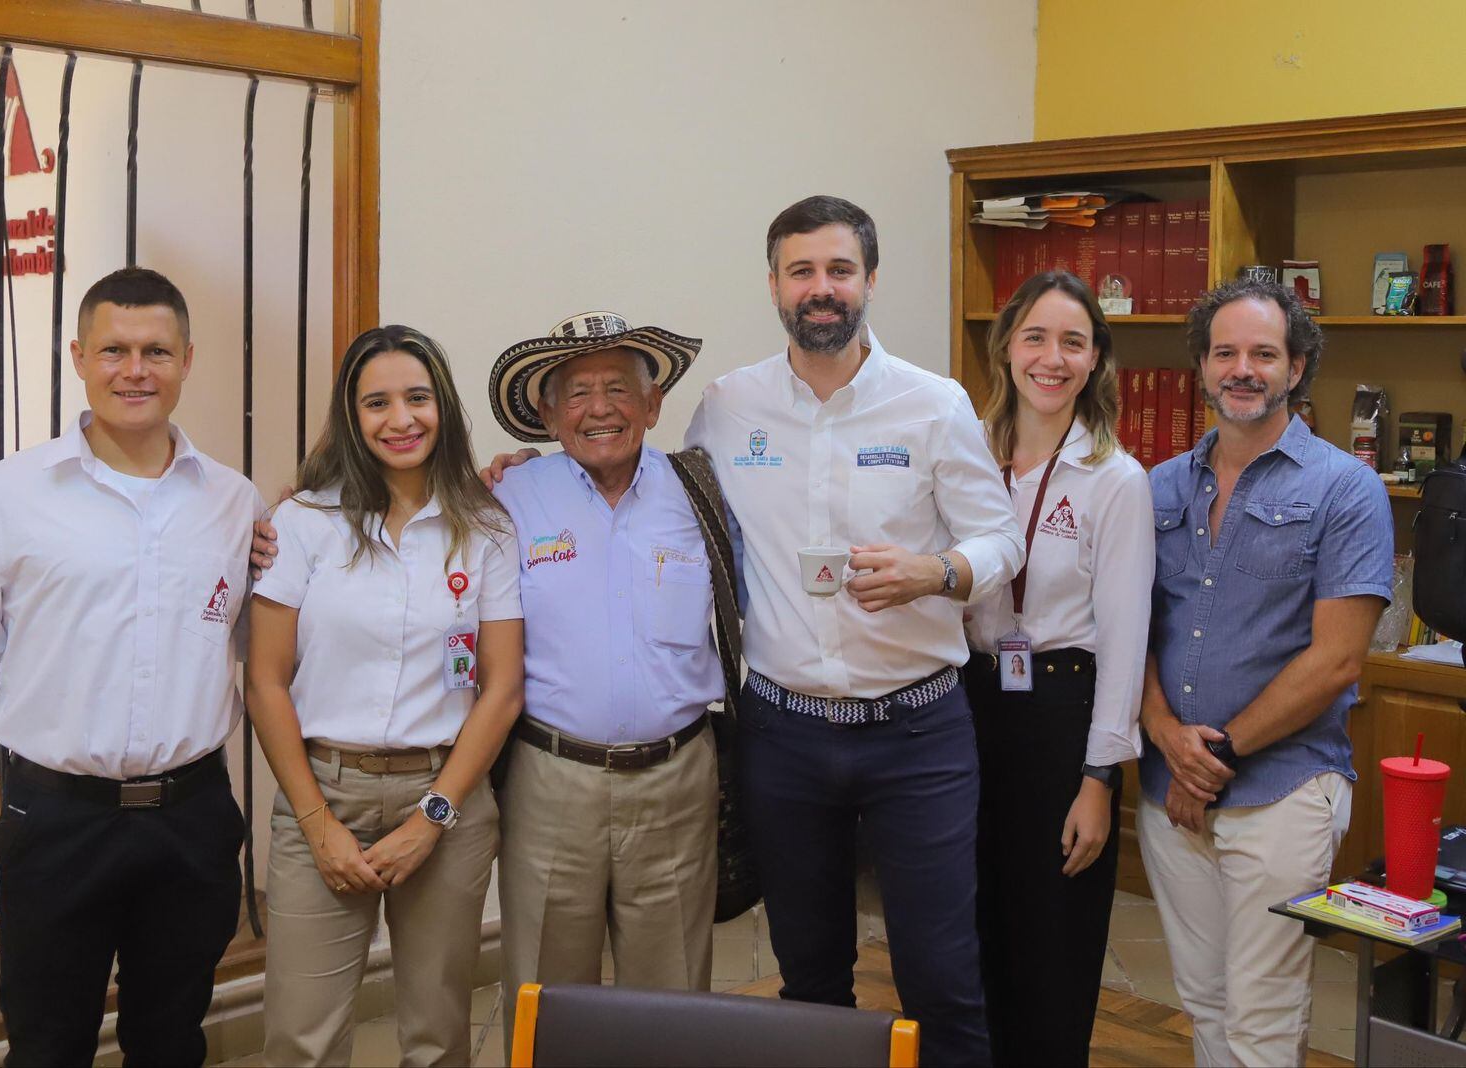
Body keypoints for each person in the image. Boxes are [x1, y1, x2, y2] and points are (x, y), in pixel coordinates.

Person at [0, 267, 262, 1066]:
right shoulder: (4, 499)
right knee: (48, 1041)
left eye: (156, 350)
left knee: (171, 1040)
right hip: (55, 822)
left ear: (187, 359)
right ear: (79, 356)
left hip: (192, 819)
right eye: (115, 350)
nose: (136, 370)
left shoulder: (234, 504)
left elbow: (262, 646)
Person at [683, 195, 1024, 1063]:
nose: (821, 288)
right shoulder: (728, 407)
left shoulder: (934, 404)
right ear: (773, 286)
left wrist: (936, 572)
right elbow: (671, 509)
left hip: (919, 734)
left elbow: (1003, 539)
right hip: (784, 736)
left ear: (869, 279)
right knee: (810, 979)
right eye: (802, 271)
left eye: (839, 269)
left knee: (942, 974)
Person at [245, 326, 523, 1067]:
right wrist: (318, 824)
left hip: (447, 800)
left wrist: (435, 817)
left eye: (417, 398)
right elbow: (265, 683)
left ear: (445, 408)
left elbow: (501, 689)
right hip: (322, 793)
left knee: (437, 1039)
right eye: (377, 403)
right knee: (302, 1042)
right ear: (351, 416)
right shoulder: (305, 523)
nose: (400, 419)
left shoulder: (488, 528)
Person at [1139, 278, 1392, 1067]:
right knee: (1206, 1003)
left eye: (1263, 353)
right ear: (1202, 367)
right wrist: (1166, 739)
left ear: (1297, 367)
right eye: (1225, 353)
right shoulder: (1158, 485)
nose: (1241, 369)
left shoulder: (1345, 488)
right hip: (1166, 788)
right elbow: (1128, 629)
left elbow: (1338, 658)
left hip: (1282, 788)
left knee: (1263, 1017)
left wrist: (1211, 758)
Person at [486, 312, 728, 1057]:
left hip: (678, 780)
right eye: (579, 393)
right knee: (547, 997)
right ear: (550, 415)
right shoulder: (509, 497)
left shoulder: (703, 493)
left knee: (674, 1000)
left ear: (653, 407)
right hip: (551, 779)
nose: (601, 409)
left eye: (619, 389)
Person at [963, 271, 1153, 1066]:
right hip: (967, 712)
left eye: (1073, 341)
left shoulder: (1116, 480)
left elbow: (1124, 638)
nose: (1051, 357)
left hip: (1060, 719)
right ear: (1006, 347)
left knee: (1053, 945)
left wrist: (1099, 782)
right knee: (970, 937)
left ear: (1096, 360)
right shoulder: (965, 455)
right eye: (1035, 337)